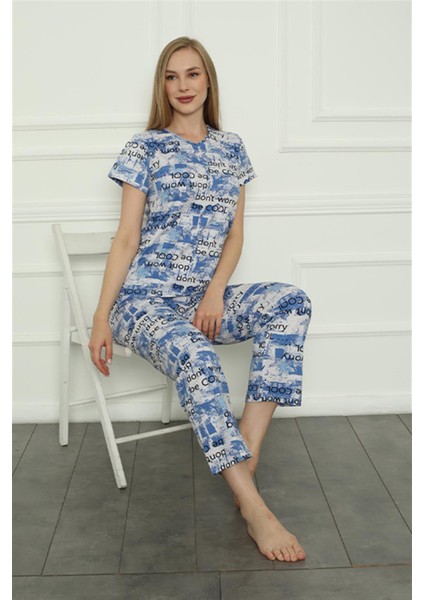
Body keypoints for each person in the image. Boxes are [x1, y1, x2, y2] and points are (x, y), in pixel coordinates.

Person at [88, 36, 312, 563]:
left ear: (208, 80)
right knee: (197, 356)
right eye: (171, 76)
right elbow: (126, 238)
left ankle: (246, 455)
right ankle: (253, 507)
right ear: (162, 86)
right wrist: (101, 317)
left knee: (290, 302)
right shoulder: (144, 148)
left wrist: (214, 293)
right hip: (143, 302)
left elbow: (235, 236)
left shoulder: (231, 148)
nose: (182, 86)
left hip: (200, 298)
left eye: (192, 74)